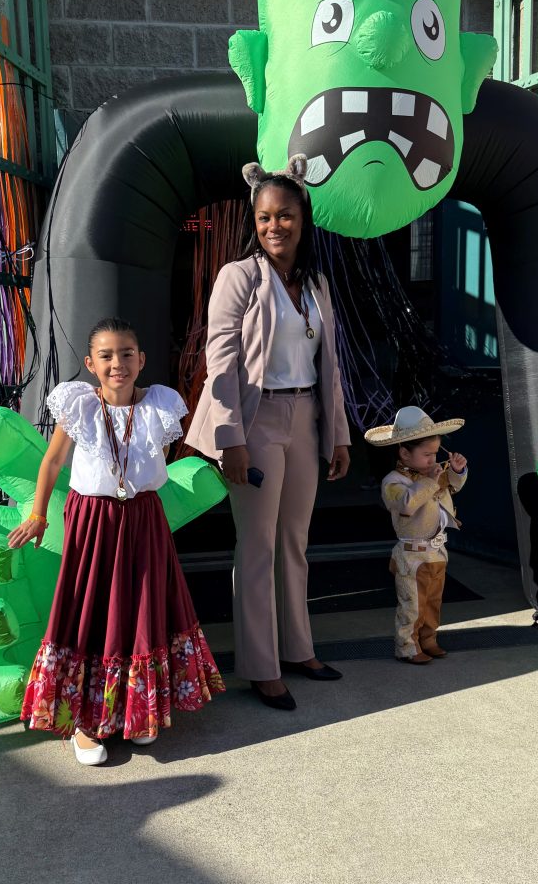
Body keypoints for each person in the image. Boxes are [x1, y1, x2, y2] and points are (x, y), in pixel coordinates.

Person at [7, 317, 224, 765]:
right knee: (93, 612)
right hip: (93, 521)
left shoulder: (160, 406)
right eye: (106, 355)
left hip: (143, 520)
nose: (117, 363)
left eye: (126, 353)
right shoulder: (79, 407)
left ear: (141, 360)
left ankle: (136, 711)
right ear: (90, 363)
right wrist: (38, 515)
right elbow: (50, 464)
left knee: (141, 609)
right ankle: (85, 722)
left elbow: (148, 465)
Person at [185, 154, 351, 710]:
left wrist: (340, 435)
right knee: (256, 545)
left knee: (295, 541)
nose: (274, 226)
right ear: (253, 223)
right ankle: (260, 665)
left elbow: (331, 366)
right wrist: (229, 437)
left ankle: (299, 648)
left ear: (303, 219)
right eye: (263, 218)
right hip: (255, 423)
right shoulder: (238, 277)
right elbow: (222, 360)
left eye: (284, 216)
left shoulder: (317, 284)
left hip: (305, 418)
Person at [365, 406, 468, 664]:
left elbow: (452, 488)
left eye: (436, 454)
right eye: (427, 455)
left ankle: (429, 639)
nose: (433, 461)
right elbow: (407, 504)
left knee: (433, 602)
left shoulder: (431, 474)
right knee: (412, 605)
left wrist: (455, 471)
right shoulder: (393, 482)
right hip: (411, 554)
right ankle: (407, 647)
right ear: (404, 453)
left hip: (436, 550)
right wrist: (430, 481)